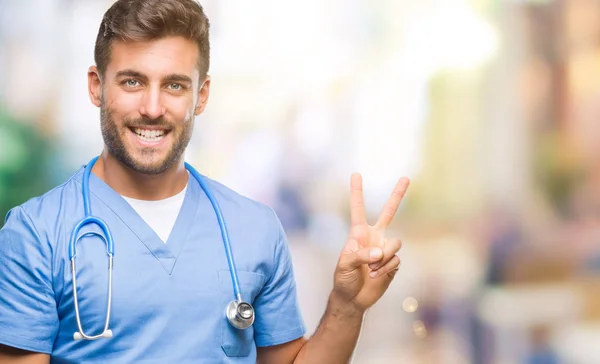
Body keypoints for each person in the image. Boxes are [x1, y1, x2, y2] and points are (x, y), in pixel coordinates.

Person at [0, 0, 410, 363]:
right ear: (96, 86)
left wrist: (346, 307)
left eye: (174, 85)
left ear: (201, 95)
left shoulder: (255, 229)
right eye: (132, 81)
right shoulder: (36, 234)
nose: (153, 107)